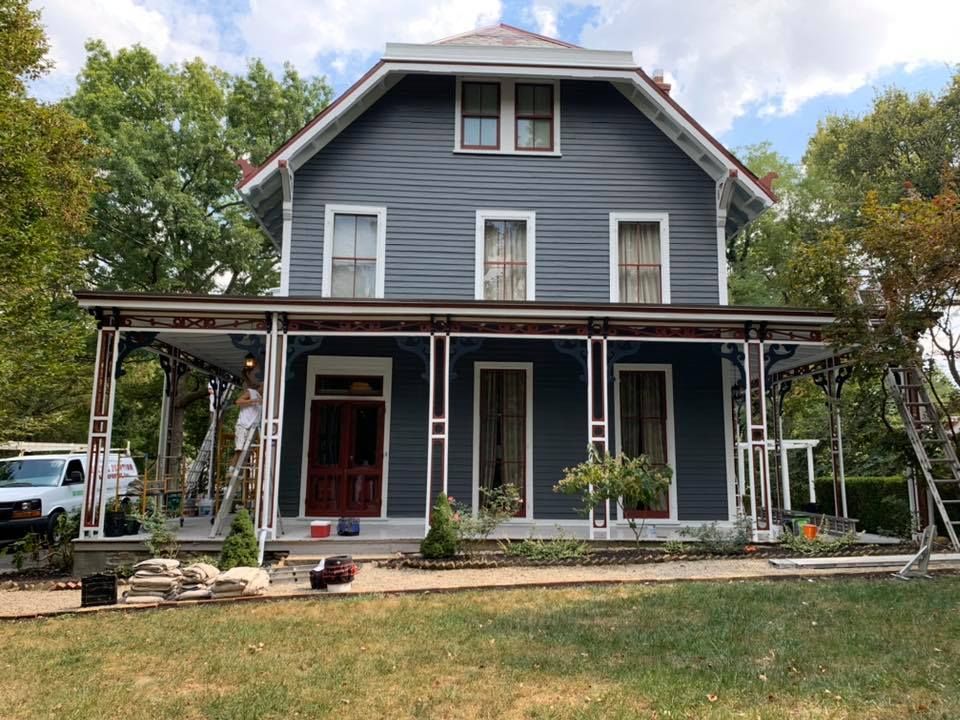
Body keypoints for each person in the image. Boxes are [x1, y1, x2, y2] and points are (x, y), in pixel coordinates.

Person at [230, 380, 262, 471]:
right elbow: (238, 401)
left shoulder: (262, 399)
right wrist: (253, 401)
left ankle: (237, 471)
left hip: (252, 428)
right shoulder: (251, 392)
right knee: (239, 450)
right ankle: (231, 470)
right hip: (243, 425)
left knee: (246, 452)